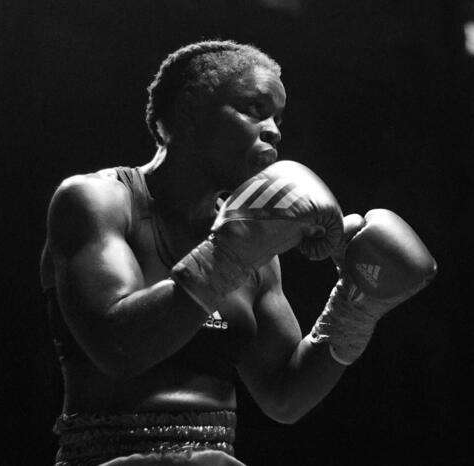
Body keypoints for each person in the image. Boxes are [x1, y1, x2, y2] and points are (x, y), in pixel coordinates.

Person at [40, 40, 436, 465]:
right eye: (254, 109)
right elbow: (118, 349)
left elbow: (284, 396)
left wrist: (356, 308)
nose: (274, 130)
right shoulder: (97, 201)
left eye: (278, 118)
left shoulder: (258, 250)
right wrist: (228, 254)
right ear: (189, 112)